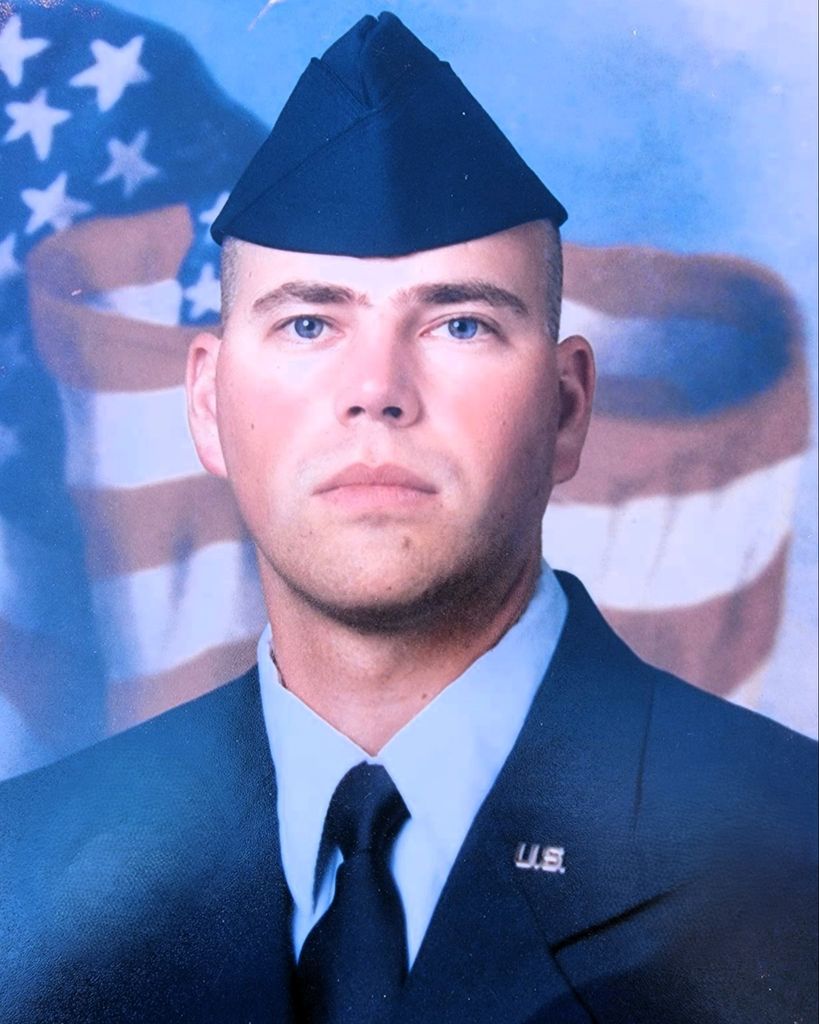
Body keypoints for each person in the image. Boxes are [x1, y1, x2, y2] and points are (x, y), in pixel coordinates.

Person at [1, 11, 816, 1024]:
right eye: (310, 322)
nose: (377, 392)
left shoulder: (794, 858)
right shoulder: (21, 880)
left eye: (459, 323)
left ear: (567, 408)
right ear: (204, 404)